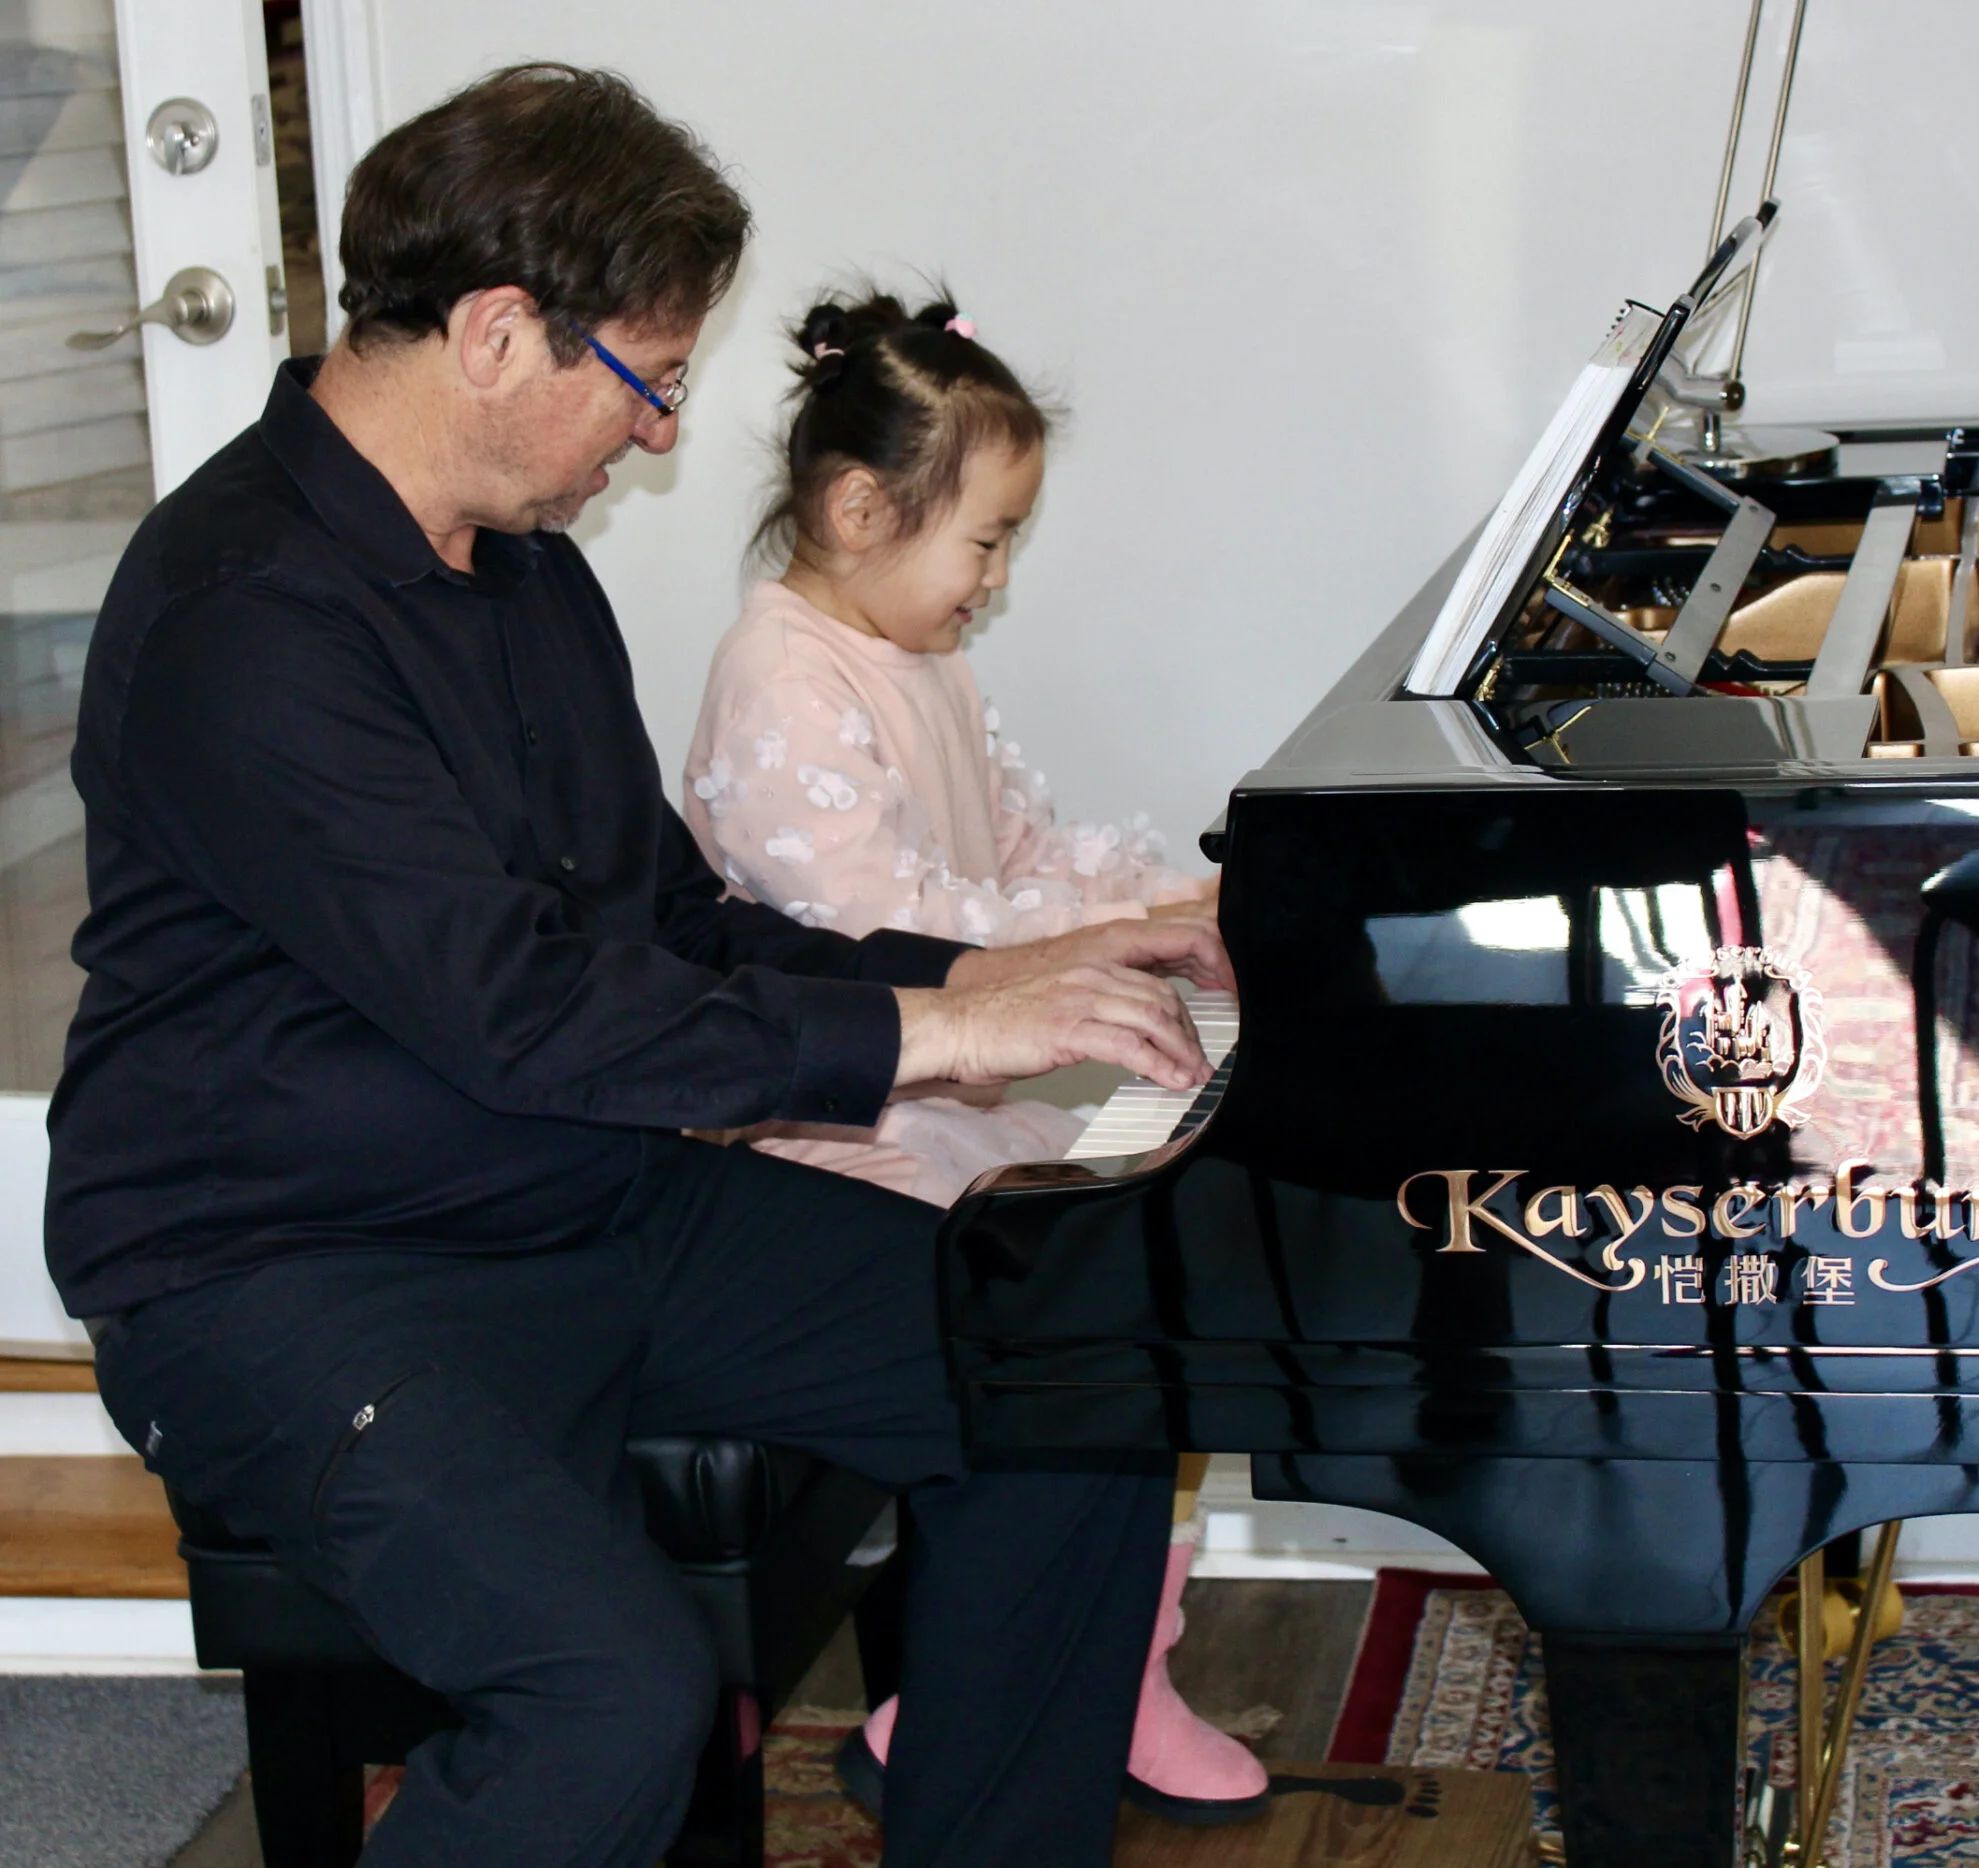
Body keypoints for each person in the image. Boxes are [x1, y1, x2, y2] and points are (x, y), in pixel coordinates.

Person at [45, 65, 1230, 1868]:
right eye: (653, 376)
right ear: (503, 335)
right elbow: (521, 1006)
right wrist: (935, 1031)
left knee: (1076, 1365)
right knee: (611, 1696)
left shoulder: (523, 575)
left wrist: (1023, 973)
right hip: (279, 1268)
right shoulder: (245, 616)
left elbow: (674, 931)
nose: (666, 434)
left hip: (572, 1202)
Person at [682, 292, 1266, 1823]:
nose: (995, 580)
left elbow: (1014, 850)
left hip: (955, 1096)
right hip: (841, 1129)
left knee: (1164, 1229)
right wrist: (1097, 938)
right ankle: (999, 1678)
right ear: (859, 507)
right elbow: (892, 932)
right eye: (986, 542)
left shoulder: (918, 652)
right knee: (1082, 1291)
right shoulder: (783, 679)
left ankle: (1086, 1650)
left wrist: (1156, 909)